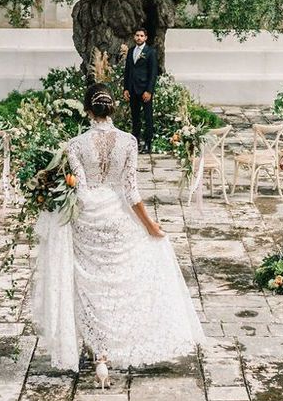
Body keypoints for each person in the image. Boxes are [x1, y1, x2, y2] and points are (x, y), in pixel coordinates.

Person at [33, 83, 204, 372]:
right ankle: (110, 347)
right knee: (120, 279)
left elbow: (82, 189)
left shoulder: (75, 145)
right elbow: (131, 192)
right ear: (114, 108)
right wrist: (151, 226)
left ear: (87, 110)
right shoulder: (129, 141)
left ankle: (97, 349)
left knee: (90, 285)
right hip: (116, 218)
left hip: (87, 220)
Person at [123, 28, 158, 153]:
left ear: (146, 38)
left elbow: (153, 73)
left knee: (148, 117)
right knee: (135, 117)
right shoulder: (131, 51)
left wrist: (149, 91)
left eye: (141, 36)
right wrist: (126, 88)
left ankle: (148, 143)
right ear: (134, 37)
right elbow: (127, 71)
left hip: (144, 90)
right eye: (137, 35)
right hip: (132, 89)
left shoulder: (150, 52)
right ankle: (135, 142)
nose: (139, 38)